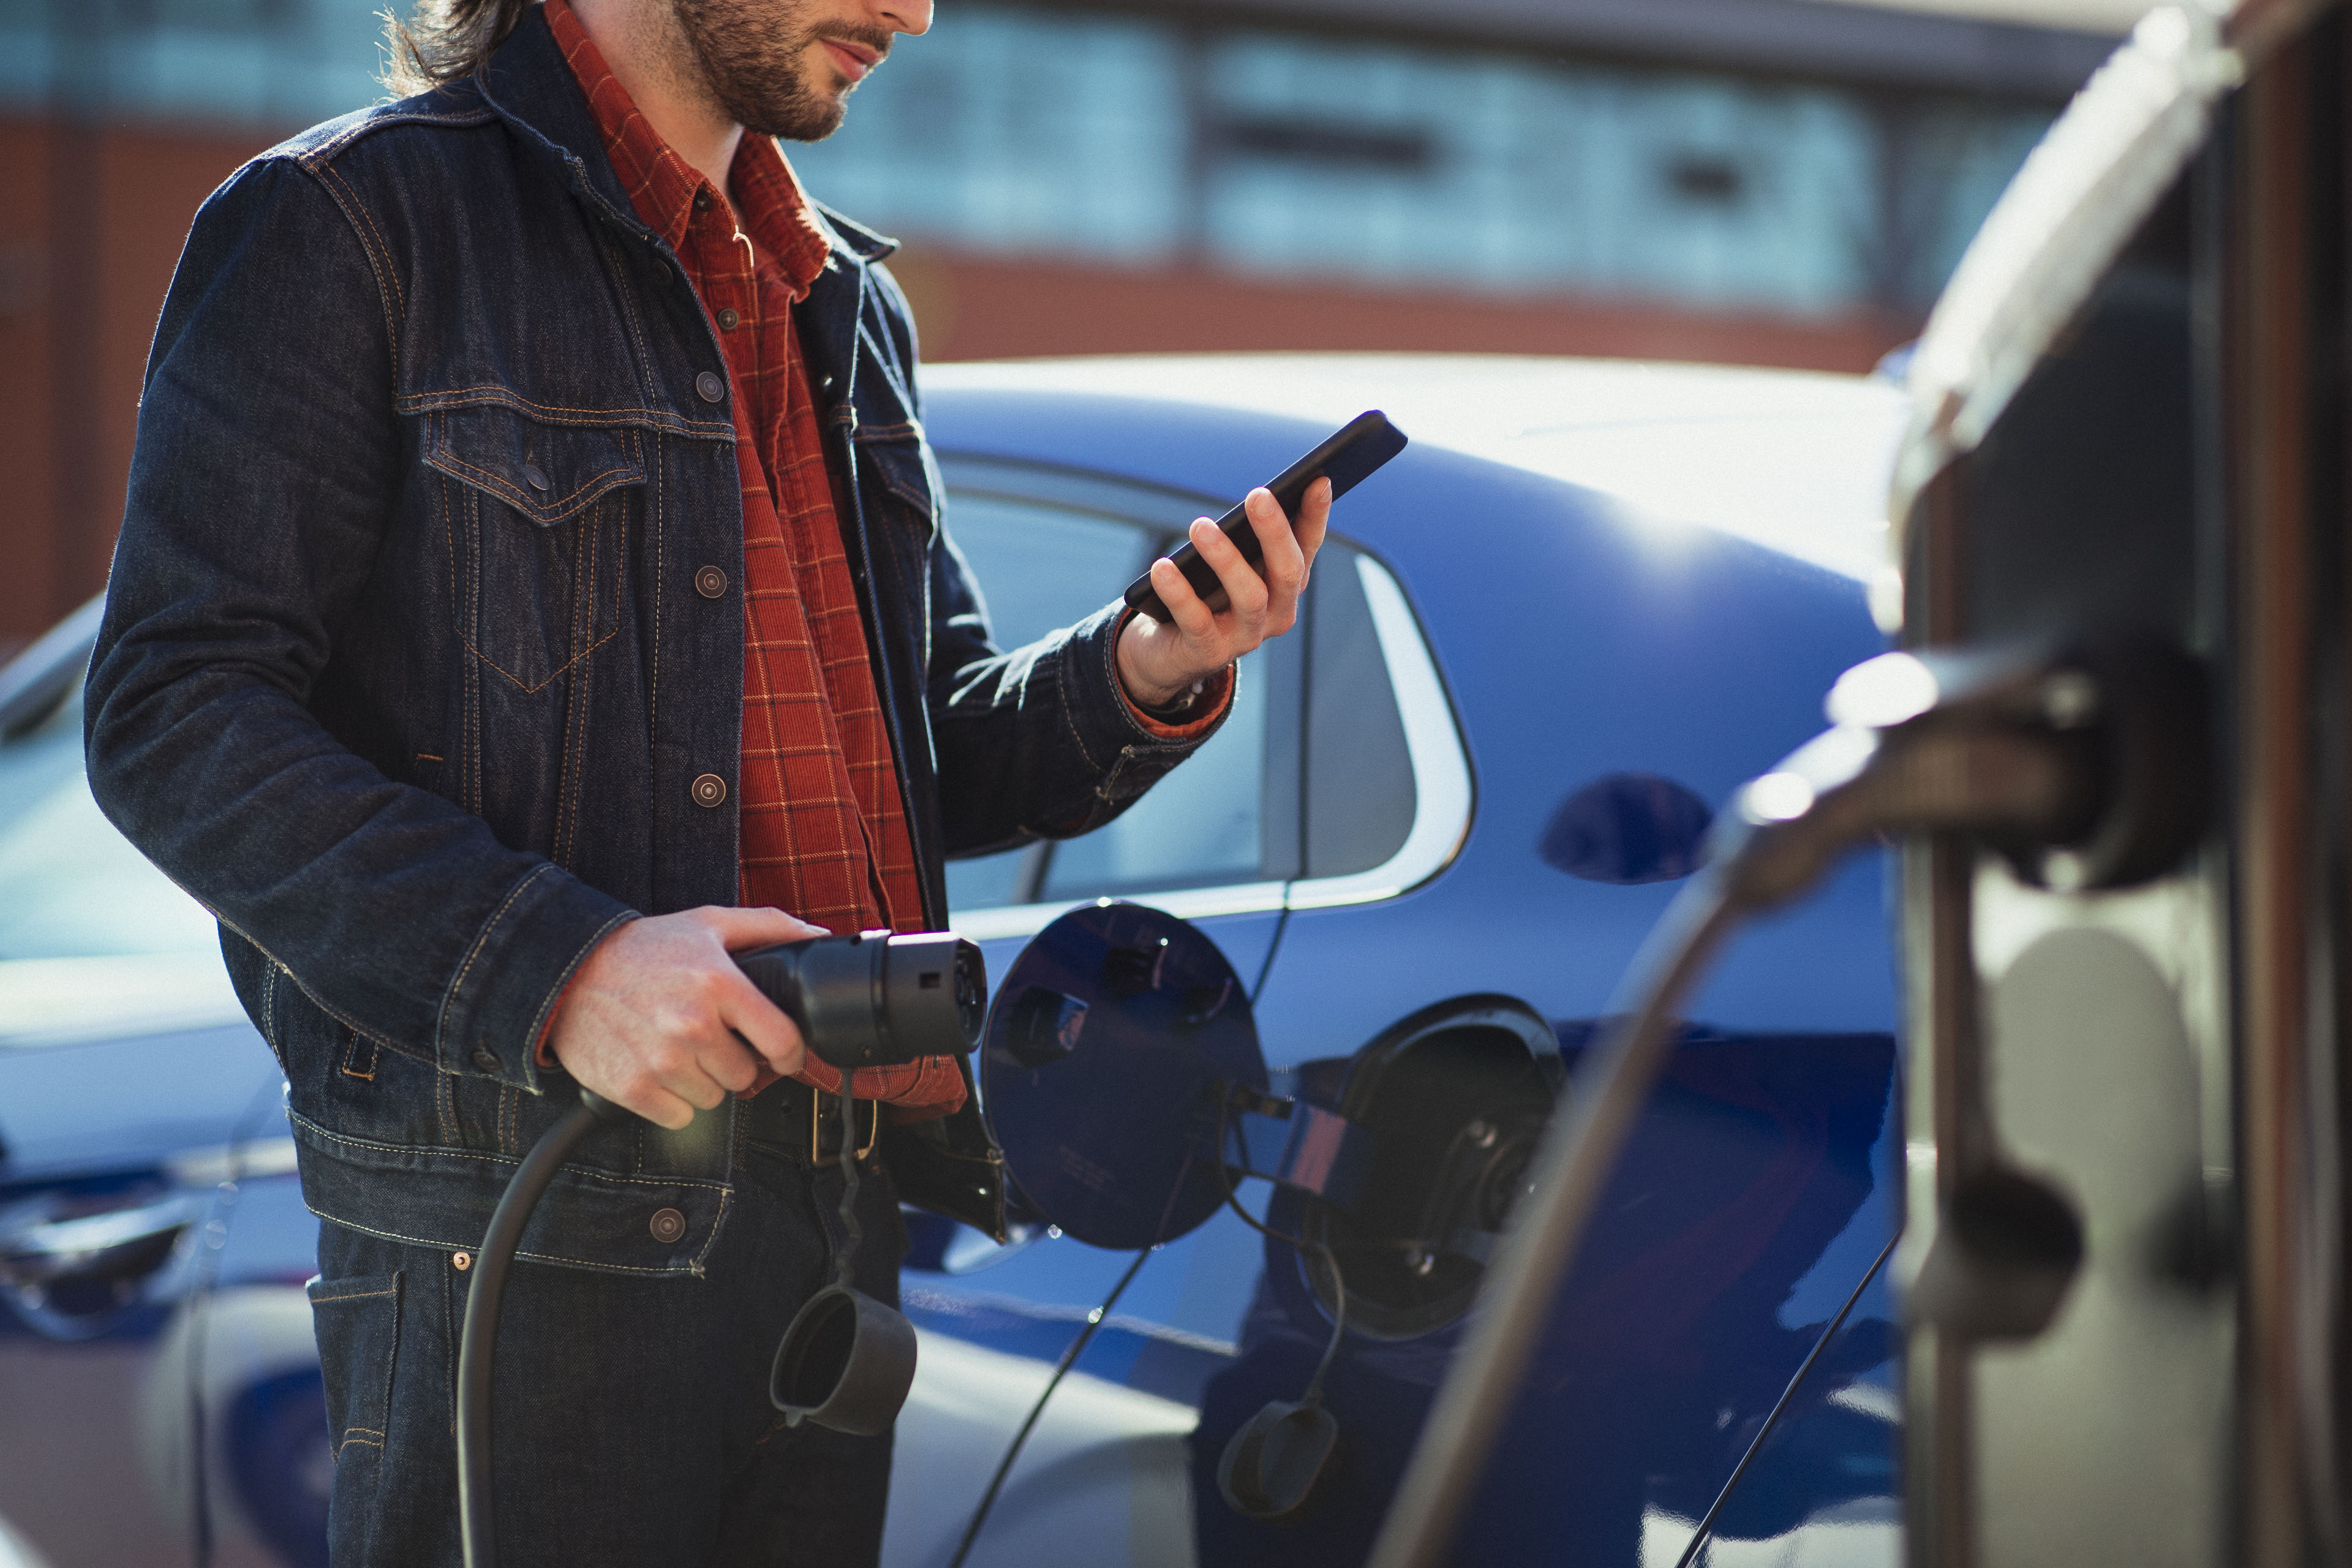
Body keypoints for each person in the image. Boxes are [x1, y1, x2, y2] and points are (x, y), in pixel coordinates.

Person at [81, 0, 1328, 1559]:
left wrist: (1144, 668)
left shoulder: (844, 299)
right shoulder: (350, 226)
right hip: (531, 1234)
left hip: (832, 1234)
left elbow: (919, 748)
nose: (917, 11)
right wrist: (561, 965)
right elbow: (172, 712)